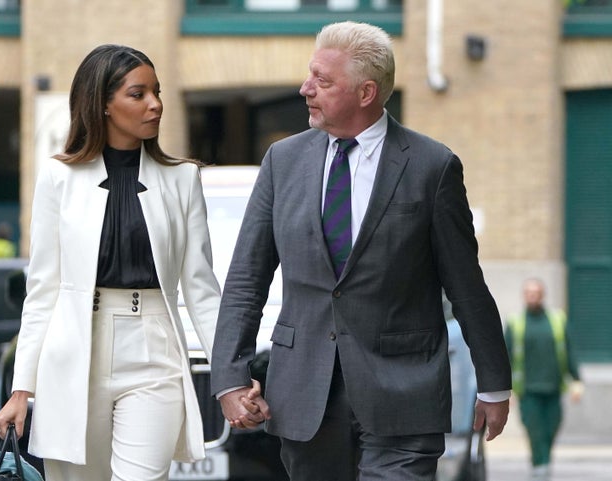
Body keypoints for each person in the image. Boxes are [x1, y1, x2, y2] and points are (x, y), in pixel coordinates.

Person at [210, 21, 512, 481]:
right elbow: (246, 279)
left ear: (366, 92)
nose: (305, 88)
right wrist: (231, 376)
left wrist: (493, 383)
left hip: (404, 393)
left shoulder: (432, 166)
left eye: (323, 81)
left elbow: (467, 285)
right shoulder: (283, 161)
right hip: (305, 393)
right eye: (310, 75)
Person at [0, 44, 223, 481]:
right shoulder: (59, 177)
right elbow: (43, 290)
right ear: (102, 105)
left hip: (156, 347)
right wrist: (22, 389)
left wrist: (229, 374)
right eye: (138, 94)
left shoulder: (183, 179)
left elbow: (202, 291)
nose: (155, 104)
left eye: (157, 92)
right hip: (76, 350)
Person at [505, 278, 583, 481]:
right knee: (535, 430)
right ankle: (540, 468)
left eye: (536, 292)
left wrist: (577, 381)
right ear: (524, 296)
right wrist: (504, 391)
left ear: (542, 295)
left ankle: (543, 462)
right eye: (529, 292)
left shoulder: (557, 320)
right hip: (528, 390)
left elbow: (569, 350)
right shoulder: (516, 324)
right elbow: (505, 358)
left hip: (554, 387)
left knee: (552, 427)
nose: (532, 296)